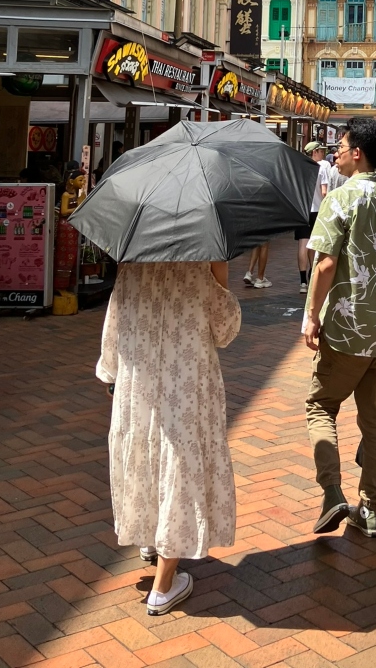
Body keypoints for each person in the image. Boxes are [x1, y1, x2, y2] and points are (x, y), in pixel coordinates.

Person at [96, 259, 240, 616]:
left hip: (138, 379)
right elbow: (224, 330)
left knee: (144, 451)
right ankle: (163, 585)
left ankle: (150, 535)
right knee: (179, 459)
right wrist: (220, 278)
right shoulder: (203, 257)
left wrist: (110, 369)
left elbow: (114, 316)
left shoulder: (132, 257)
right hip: (185, 382)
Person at [304, 118, 376, 538]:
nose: (335, 151)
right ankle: (369, 508)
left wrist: (312, 314)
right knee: (374, 421)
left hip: (346, 328)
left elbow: (326, 264)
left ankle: (332, 491)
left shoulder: (340, 199)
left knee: (321, 406)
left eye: (341, 145)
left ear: (357, 153)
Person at [295, 143, 330, 295]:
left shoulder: (299, 167)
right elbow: (324, 192)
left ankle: (303, 281)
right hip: (317, 210)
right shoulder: (322, 167)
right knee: (314, 244)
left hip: (302, 210)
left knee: (303, 243)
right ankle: (312, 275)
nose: (322, 153)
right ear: (314, 152)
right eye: (321, 150)